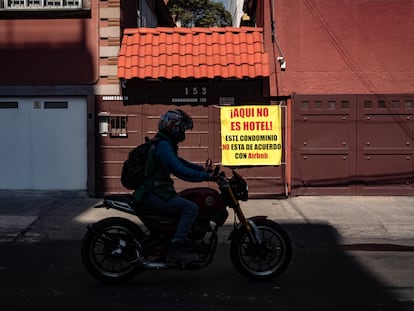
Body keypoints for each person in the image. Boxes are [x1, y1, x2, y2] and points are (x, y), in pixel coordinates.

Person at [134, 109, 213, 264]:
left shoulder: (164, 143)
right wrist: (206, 176)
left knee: (186, 202)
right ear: (173, 126)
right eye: (182, 127)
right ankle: (176, 248)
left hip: (157, 193)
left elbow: (180, 163)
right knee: (191, 208)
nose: (183, 131)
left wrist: (201, 169)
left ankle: (174, 239)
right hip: (153, 194)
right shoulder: (163, 145)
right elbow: (178, 169)